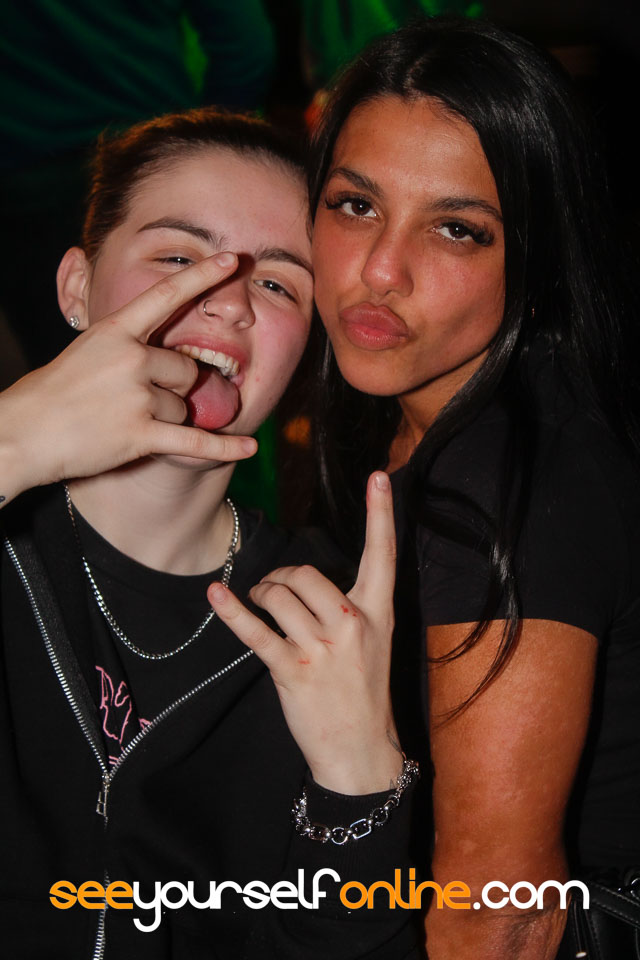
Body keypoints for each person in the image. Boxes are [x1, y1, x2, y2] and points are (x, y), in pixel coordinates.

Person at [0, 109, 421, 959]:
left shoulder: (336, 625)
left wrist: (362, 780)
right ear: (76, 288)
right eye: (178, 257)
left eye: (278, 285)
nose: (227, 303)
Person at [306, 16, 640, 960]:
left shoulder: (503, 477)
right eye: (356, 205)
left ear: (536, 265)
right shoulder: (420, 418)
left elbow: (498, 921)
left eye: (457, 229)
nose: (382, 270)